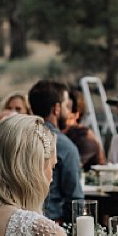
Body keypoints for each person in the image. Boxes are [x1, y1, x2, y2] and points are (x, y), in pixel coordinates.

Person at [28, 79, 83, 223]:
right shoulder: (65, 146)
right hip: (51, 223)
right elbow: (75, 199)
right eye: (66, 105)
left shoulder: (20, 137)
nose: (68, 111)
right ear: (56, 109)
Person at [64, 86, 104, 170]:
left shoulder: (85, 137)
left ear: (75, 114)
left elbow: (69, 169)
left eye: (65, 108)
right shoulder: (64, 134)